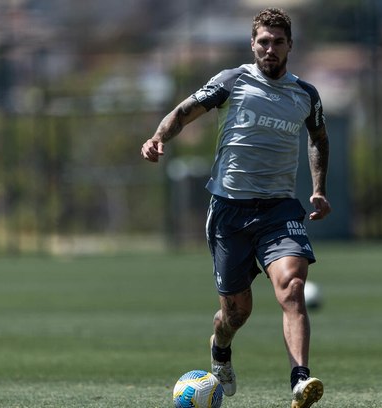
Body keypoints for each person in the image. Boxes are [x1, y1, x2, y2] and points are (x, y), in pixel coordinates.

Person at [141, 7, 331, 408]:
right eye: (264, 41)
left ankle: (300, 379)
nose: (270, 49)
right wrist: (159, 136)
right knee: (235, 312)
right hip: (230, 211)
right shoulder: (232, 81)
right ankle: (220, 349)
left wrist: (318, 189)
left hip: (280, 209)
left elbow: (318, 138)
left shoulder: (306, 94)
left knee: (292, 288)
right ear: (253, 44)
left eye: (278, 42)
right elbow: (183, 112)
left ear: (290, 46)